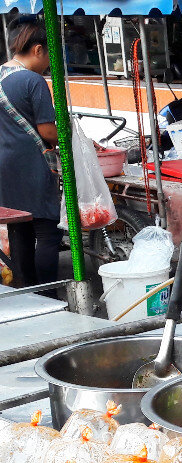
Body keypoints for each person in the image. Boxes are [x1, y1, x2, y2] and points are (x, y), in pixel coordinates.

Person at [0, 17, 60, 288]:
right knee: (47, 232)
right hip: (32, 165)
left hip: (4, 165)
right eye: (49, 55)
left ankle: (28, 291)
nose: (49, 64)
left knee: (19, 229)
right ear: (37, 50)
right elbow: (48, 132)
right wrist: (71, 135)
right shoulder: (33, 81)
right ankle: (49, 294)